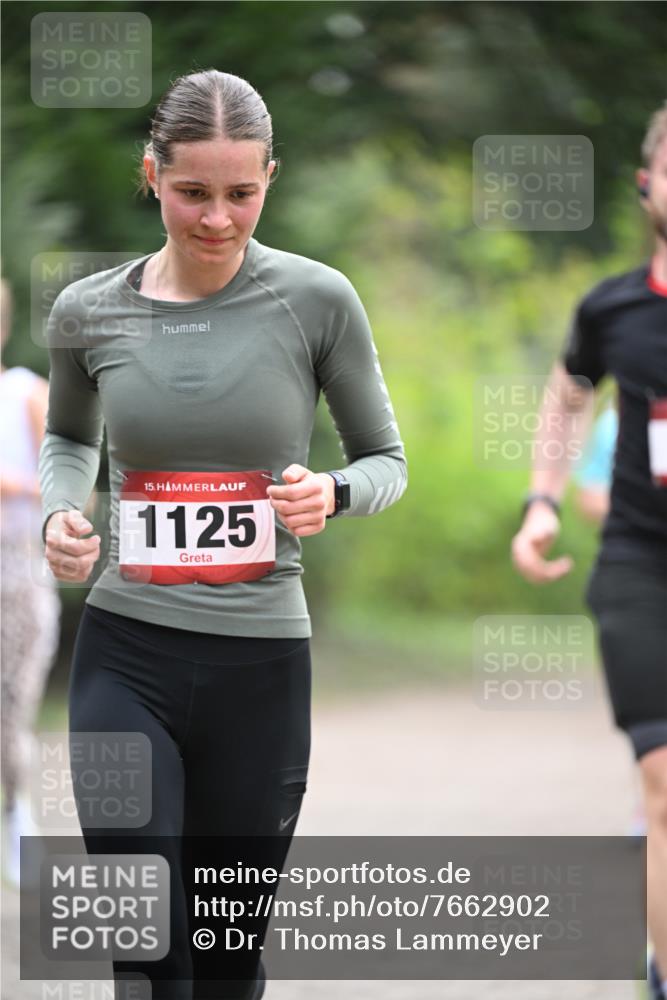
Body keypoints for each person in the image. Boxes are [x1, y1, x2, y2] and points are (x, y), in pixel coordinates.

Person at [39, 69, 407, 1000]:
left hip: (260, 665)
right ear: (151, 174)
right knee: (143, 940)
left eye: (240, 194)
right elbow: (71, 435)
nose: (216, 219)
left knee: (225, 951)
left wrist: (332, 490)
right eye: (192, 193)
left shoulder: (317, 300)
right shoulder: (87, 310)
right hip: (124, 655)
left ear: (269, 179)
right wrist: (62, 510)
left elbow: (384, 461)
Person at [511, 103, 667, 997]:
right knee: (662, 781)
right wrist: (541, 501)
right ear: (646, 185)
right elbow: (566, 400)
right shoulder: (609, 309)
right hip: (640, 569)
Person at [0, 278, 60, 886]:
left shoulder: (24, 394)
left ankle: (16, 812)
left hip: (17, 574)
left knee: (10, 710)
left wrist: (11, 486)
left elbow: (70, 493)